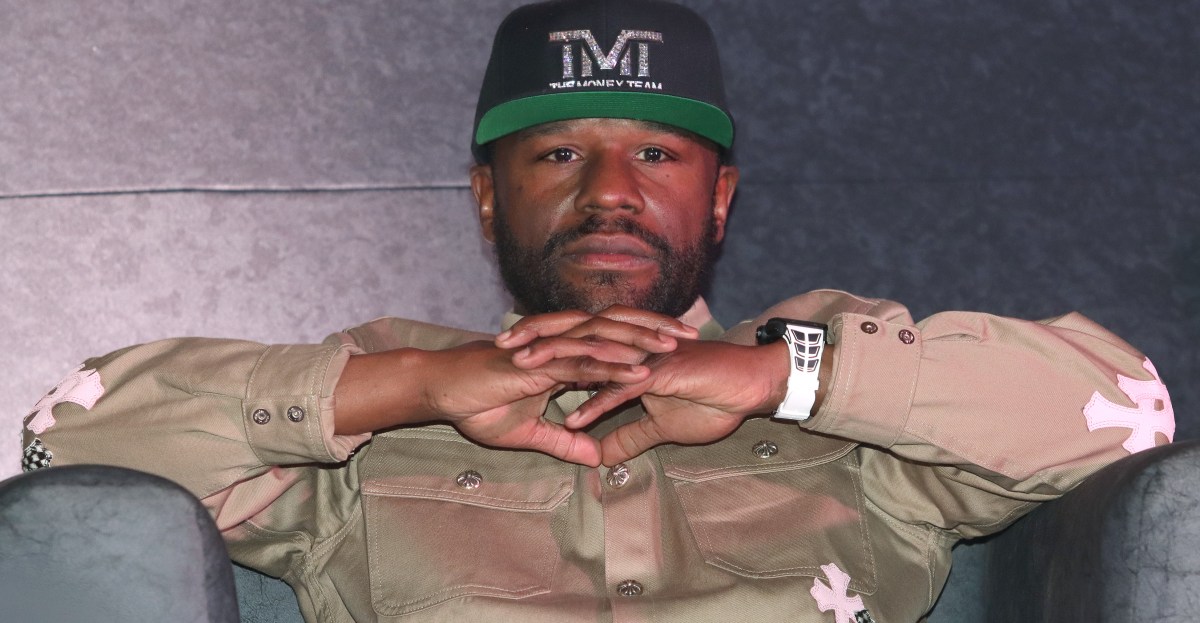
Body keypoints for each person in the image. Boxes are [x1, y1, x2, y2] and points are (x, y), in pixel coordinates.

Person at [22, 0, 1174, 621]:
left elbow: (1128, 412)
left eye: (657, 154)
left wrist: (787, 377)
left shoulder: (843, 396)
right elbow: (65, 440)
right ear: (488, 195)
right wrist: (417, 386)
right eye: (560, 152)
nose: (611, 192)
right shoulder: (377, 394)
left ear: (719, 197)